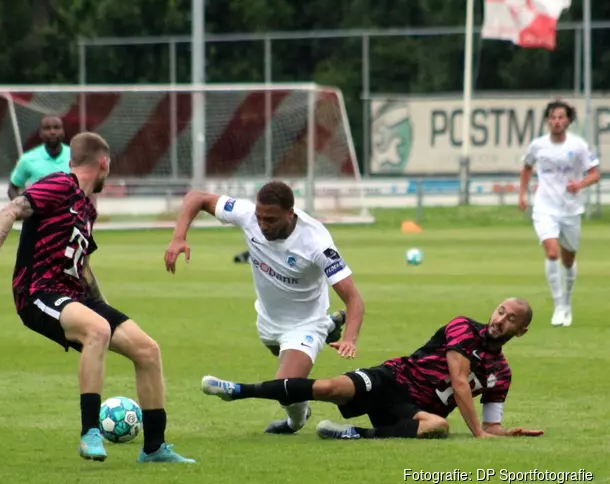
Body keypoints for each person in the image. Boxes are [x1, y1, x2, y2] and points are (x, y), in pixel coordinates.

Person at [0, 132, 195, 464]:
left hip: (74, 295)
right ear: (104, 163)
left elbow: (81, 266)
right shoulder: (59, 185)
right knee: (97, 329)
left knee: (147, 350)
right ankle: (89, 433)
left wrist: (106, 308)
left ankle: (154, 447)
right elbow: (10, 210)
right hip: (38, 292)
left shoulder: (86, 208)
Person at [164, 181, 365, 434]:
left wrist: (350, 339)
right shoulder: (248, 214)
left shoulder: (317, 242)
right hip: (268, 320)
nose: (262, 225)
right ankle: (329, 326)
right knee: (285, 375)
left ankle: (295, 421)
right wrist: (178, 238)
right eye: (259, 218)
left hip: (305, 324)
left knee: (283, 386)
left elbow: (354, 299)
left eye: (270, 220)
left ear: (290, 214)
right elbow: (197, 197)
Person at [201, 298, 544, 440]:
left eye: (511, 319)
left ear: (521, 331)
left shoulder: (502, 373)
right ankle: (238, 390)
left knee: (438, 426)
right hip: (394, 378)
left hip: (412, 411)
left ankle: (352, 435)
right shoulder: (463, 328)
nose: (500, 319)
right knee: (327, 388)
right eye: (501, 311)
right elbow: (459, 381)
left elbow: (491, 423)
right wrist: (480, 435)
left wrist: (503, 433)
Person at [518, 100, 600, 327]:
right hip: (545, 208)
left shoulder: (579, 146)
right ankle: (558, 306)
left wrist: (580, 184)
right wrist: (522, 195)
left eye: (561, 117)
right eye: (553, 117)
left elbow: (595, 174)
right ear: (547, 120)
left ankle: (567, 302)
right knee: (552, 252)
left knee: (568, 259)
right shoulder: (538, 145)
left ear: (568, 120)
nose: (556, 121)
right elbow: (526, 168)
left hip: (571, 210)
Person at [7, 115, 70, 200]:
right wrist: (20, 207)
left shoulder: (75, 156)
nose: (52, 132)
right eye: (47, 128)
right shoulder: (27, 159)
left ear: (63, 131)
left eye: (56, 127)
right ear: (40, 133)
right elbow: (12, 189)